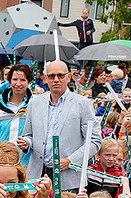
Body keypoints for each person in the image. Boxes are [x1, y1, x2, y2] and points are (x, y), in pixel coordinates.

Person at [17, 60, 102, 191]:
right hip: (37, 177)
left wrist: (71, 160)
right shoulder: (34, 103)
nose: (56, 80)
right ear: (45, 79)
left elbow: (94, 141)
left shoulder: (83, 104)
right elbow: (28, 135)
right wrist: (27, 143)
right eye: (51, 76)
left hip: (69, 180)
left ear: (69, 77)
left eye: (60, 76)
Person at [0, 63, 33, 157]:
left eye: (23, 80)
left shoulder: (35, 105)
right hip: (0, 165)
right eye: (15, 79)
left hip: (26, 166)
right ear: (9, 81)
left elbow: (40, 137)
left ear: (29, 82)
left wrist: (29, 143)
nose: (18, 84)